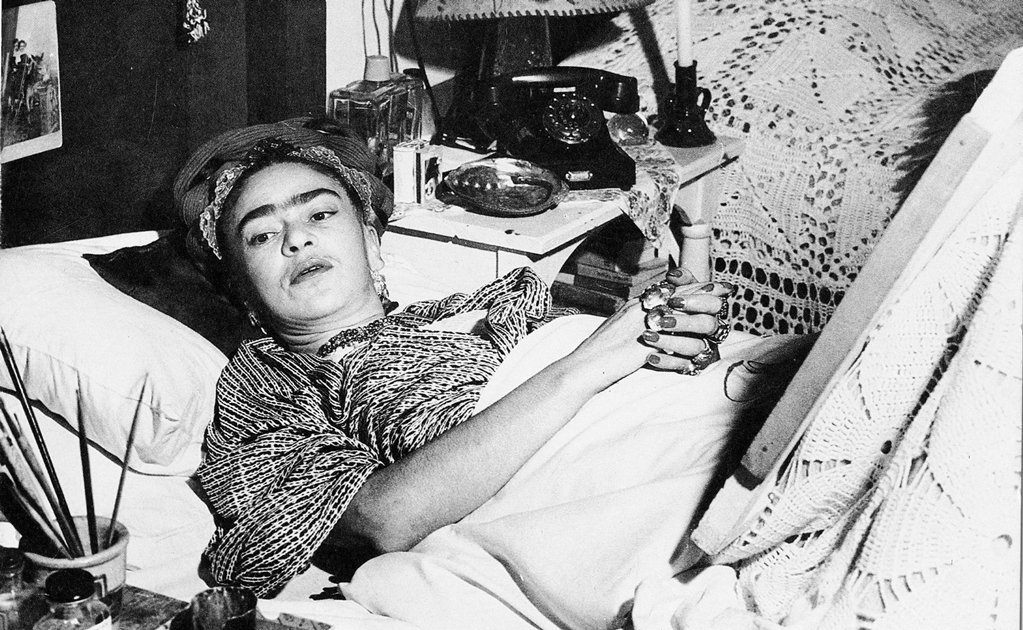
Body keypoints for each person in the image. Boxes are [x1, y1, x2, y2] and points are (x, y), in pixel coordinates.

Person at [187, 123, 788, 608]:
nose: (296, 239)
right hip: (584, 469)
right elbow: (380, 520)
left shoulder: (481, 306)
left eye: (319, 215)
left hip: (682, 404)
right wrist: (591, 363)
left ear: (370, 240)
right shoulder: (264, 387)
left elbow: (630, 354)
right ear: (242, 289)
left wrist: (683, 333)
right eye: (261, 236)